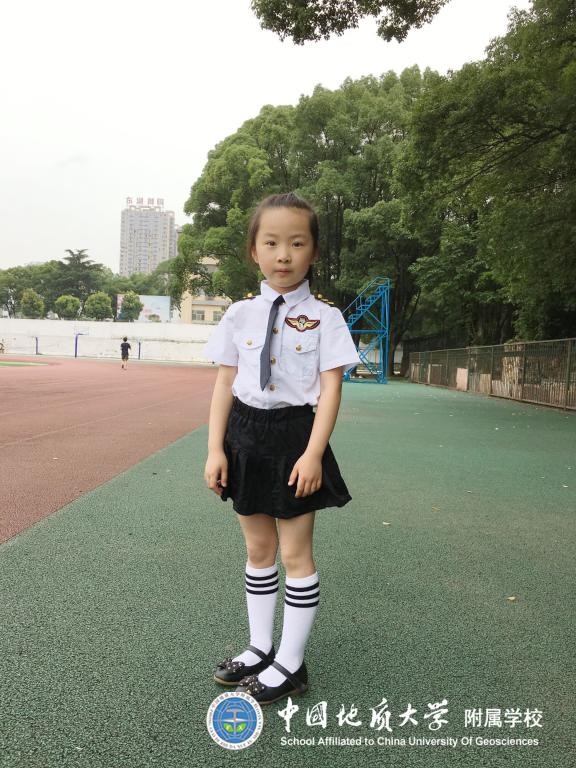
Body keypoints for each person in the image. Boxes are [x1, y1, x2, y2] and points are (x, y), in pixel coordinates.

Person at [202, 191, 361, 706]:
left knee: (294, 553)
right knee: (258, 550)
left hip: (295, 437)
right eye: (271, 243)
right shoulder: (239, 314)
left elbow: (331, 389)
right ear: (254, 250)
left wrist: (313, 453)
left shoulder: (325, 317)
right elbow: (225, 383)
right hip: (244, 435)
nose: (284, 255)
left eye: (297, 243)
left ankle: (291, 663)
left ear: (314, 251)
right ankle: (260, 647)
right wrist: (216, 449)